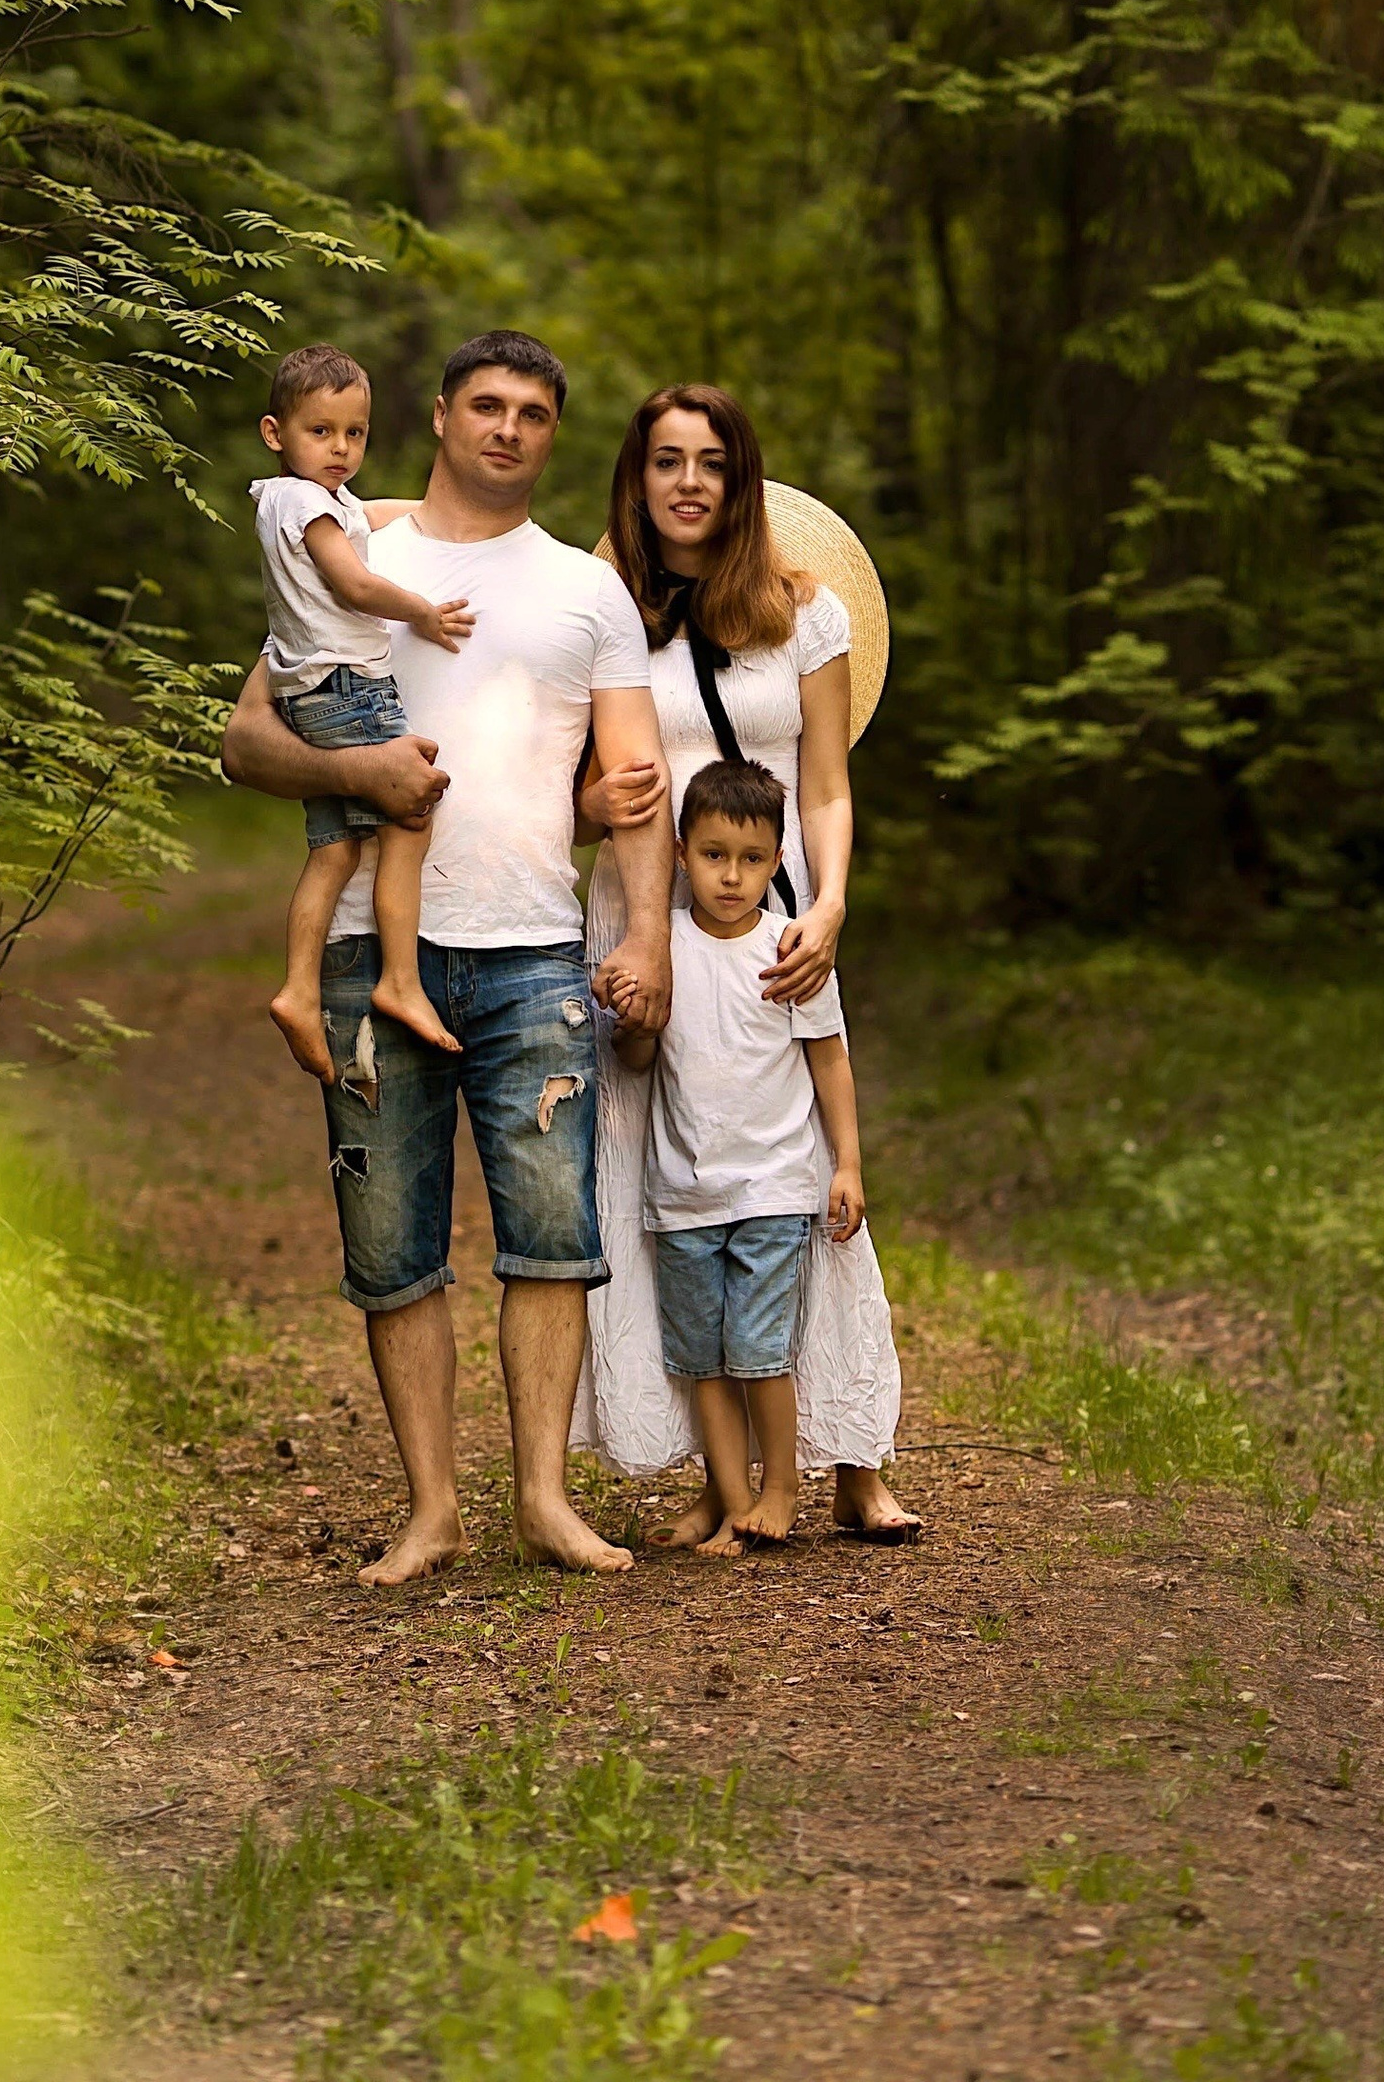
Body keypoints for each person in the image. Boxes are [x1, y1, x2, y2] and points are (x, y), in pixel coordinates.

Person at [221, 329, 673, 1585]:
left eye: (534, 410)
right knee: (392, 1248)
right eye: (488, 403)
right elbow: (244, 744)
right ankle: (430, 1510)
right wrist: (351, 771)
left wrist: (646, 934)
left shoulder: (587, 593)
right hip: (372, 954)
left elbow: (633, 783)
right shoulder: (360, 550)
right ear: (439, 414)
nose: (509, 428)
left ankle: (542, 1501)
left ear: (551, 433)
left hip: (532, 951)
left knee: (551, 1237)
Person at [579, 379, 917, 1541]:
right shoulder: (605, 613)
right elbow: (572, 792)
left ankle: (852, 1459)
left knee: (808, 1183)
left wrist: (827, 910)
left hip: (771, 923)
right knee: (663, 1195)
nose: (686, 483)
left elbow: (824, 782)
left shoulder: (800, 612)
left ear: (739, 478)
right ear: (638, 478)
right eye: (665, 461)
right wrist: (598, 802)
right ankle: (717, 1479)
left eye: (708, 462)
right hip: (644, 926)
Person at [608, 758, 871, 1553]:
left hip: (771, 1189)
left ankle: (781, 1488)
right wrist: (634, 1018)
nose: (732, 876)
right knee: (704, 1362)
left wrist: (847, 1164)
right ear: (682, 852)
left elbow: (830, 1061)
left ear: (778, 860)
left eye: (752, 860)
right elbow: (637, 1061)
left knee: (760, 1354)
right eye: (715, 855)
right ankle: (731, 1502)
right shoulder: (665, 949)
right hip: (684, 1193)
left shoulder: (791, 952)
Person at [250, 340, 470, 1078]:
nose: (341, 448)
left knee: (334, 850)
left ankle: (297, 990)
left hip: (306, 690)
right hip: (349, 685)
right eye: (321, 432)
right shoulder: (308, 504)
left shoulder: (298, 498)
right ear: (276, 433)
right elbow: (355, 584)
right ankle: (401, 981)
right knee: (409, 813)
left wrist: (442, 512)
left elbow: (366, 517)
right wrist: (423, 614)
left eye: (355, 433)